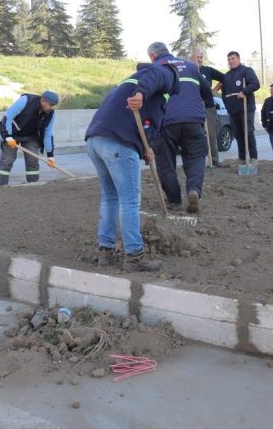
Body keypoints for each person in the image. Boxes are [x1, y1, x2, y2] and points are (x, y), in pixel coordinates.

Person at [85, 57, 179, 270]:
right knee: (129, 200)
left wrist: (146, 148)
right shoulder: (166, 73)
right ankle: (135, 256)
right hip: (118, 142)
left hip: (95, 140)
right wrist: (141, 94)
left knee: (110, 197)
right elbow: (155, 75)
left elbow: (146, 123)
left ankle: (105, 252)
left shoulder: (129, 82)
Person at [148, 42, 211, 213]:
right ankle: (193, 190)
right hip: (193, 120)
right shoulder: (191, 66)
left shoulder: (153, 68)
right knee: (196, 157)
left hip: (164, 122)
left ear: (153, 56)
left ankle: (174, 201)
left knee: (165, 163)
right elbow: (207, 91)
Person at [0, 90, 58, 186]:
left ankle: (33, 186)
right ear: (43, 101)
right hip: (12, 134)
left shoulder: (50, 114)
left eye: (53, 105)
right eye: (51, 105)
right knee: (7, 160)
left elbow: (48, 134)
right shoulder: (26, 100)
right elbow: (8, 116)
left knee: (33, 161)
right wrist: (8, 137)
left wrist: (50, 155)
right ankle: (2, 186)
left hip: (30, 136)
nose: (52, 108)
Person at [219, 51, 260, 163]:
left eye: (233, 58)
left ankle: (253, 157)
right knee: (238, 134)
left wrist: (244, 91)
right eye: (229, 59)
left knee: (248, 132)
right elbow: (224, 94)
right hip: (232, 110)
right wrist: (227, 106)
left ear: (238, 59)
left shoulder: (246, 71)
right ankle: (242, 158)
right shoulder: (226, 76)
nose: (230, 61)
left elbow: (255, 84)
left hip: (246, 108)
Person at [191, 50, 225, 166]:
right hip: (193, 107)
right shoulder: (187, 70)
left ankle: (214, 160)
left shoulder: (208, 70)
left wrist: (214, 90)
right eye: (197, 57)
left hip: (208, 106)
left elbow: (224, 78)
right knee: (194, 135)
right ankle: (197, 161)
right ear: (191, 58)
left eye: (201, 57)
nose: (199, 59)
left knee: (211, 134)